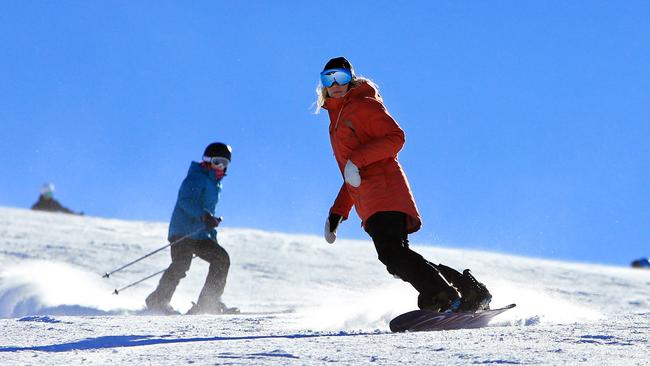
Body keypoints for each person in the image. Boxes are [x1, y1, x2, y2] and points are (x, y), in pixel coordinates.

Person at [317, 57, 492, 313]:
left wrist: (356, 160)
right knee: (396, 261)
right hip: (370, 201)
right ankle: (465, 289)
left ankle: (443, 295)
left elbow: (395, 138)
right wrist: (338, 212)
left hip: (386, 193)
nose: (335, 84)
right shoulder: (336, 120)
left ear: (351, 78)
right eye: (328, 78)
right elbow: (351, 174)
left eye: (340, 77)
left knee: (393, 255)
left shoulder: (362, 105)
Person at [145, 142, 238, 315]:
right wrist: (204, 216)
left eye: (225, 164)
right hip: (183, 230)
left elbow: (207, 213)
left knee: (221, 258)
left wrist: (211, 230)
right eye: (218, 162)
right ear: (207, 161)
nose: (221, 167)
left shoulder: (215, 185)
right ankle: (157, 300)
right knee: (181, 263)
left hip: (200, 235)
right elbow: (185, 201)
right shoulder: (197, 177)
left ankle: (208, 303)